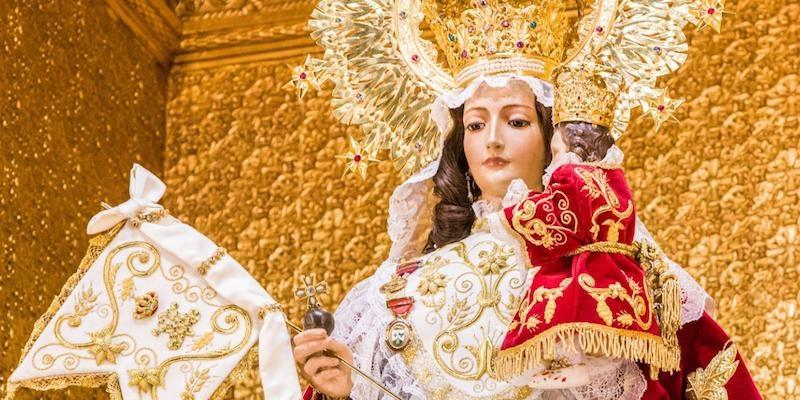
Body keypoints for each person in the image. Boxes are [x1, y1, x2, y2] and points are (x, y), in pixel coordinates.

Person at [289, 0, 762, 398]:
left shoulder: (614, 271)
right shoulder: (396, 294)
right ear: (458, 142)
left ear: (551, 134)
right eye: (475, 124)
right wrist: (349, 388)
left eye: (516, 121)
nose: (492, 140)